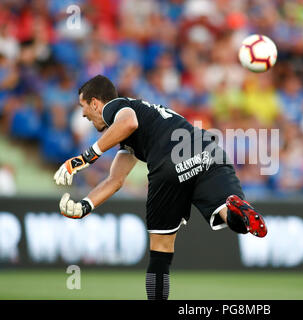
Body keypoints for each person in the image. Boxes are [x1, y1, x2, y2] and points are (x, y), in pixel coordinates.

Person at [53, 75, 268, 300]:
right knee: (230, 216)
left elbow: (128, 122)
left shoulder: (116, 107)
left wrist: (84, 158)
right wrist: (84, 206)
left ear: (95, 103)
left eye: (83, 106)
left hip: (169, 161)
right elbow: (115, 180)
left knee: (160, 251)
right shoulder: (139, 128)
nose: (83, 114)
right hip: (206, 150)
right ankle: (238, 211)